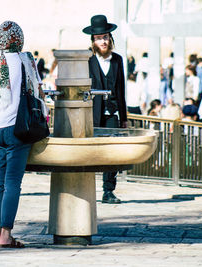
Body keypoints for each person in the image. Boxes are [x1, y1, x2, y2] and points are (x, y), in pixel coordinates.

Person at [0, 21, 43, 248]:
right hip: (17, 128)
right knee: (13, 182)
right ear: (20, 39)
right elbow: (38, 92)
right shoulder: (27, 61)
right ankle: (6, 235)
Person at [83, 14, 128, 204]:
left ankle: (108, 191)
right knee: (92, 152)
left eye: (105, 37)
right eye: (99, 38)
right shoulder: (87, 60)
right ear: (93, 40)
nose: (103, 41)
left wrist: (124, 117)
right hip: (93, 113)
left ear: (110, 38)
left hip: (113, 112)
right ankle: (85, 189)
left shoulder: (117, 60)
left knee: (112, 151)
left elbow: (121, 89)